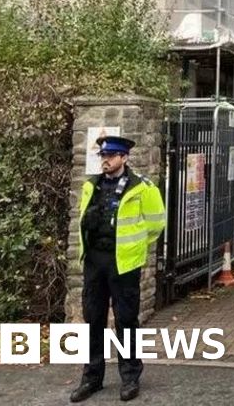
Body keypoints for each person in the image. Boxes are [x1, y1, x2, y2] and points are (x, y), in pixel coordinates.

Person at [71, 136, 166, 402]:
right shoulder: (91, 186)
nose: (106, 160)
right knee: (93, 321)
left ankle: (130, 377)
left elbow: (156, 224)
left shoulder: (142, 187)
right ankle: (92, 378)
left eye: (111, 156)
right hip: (95, 261)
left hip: (123, 263)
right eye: (103, 156)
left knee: (126, 321)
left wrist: (134, 248)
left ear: (124, 158)